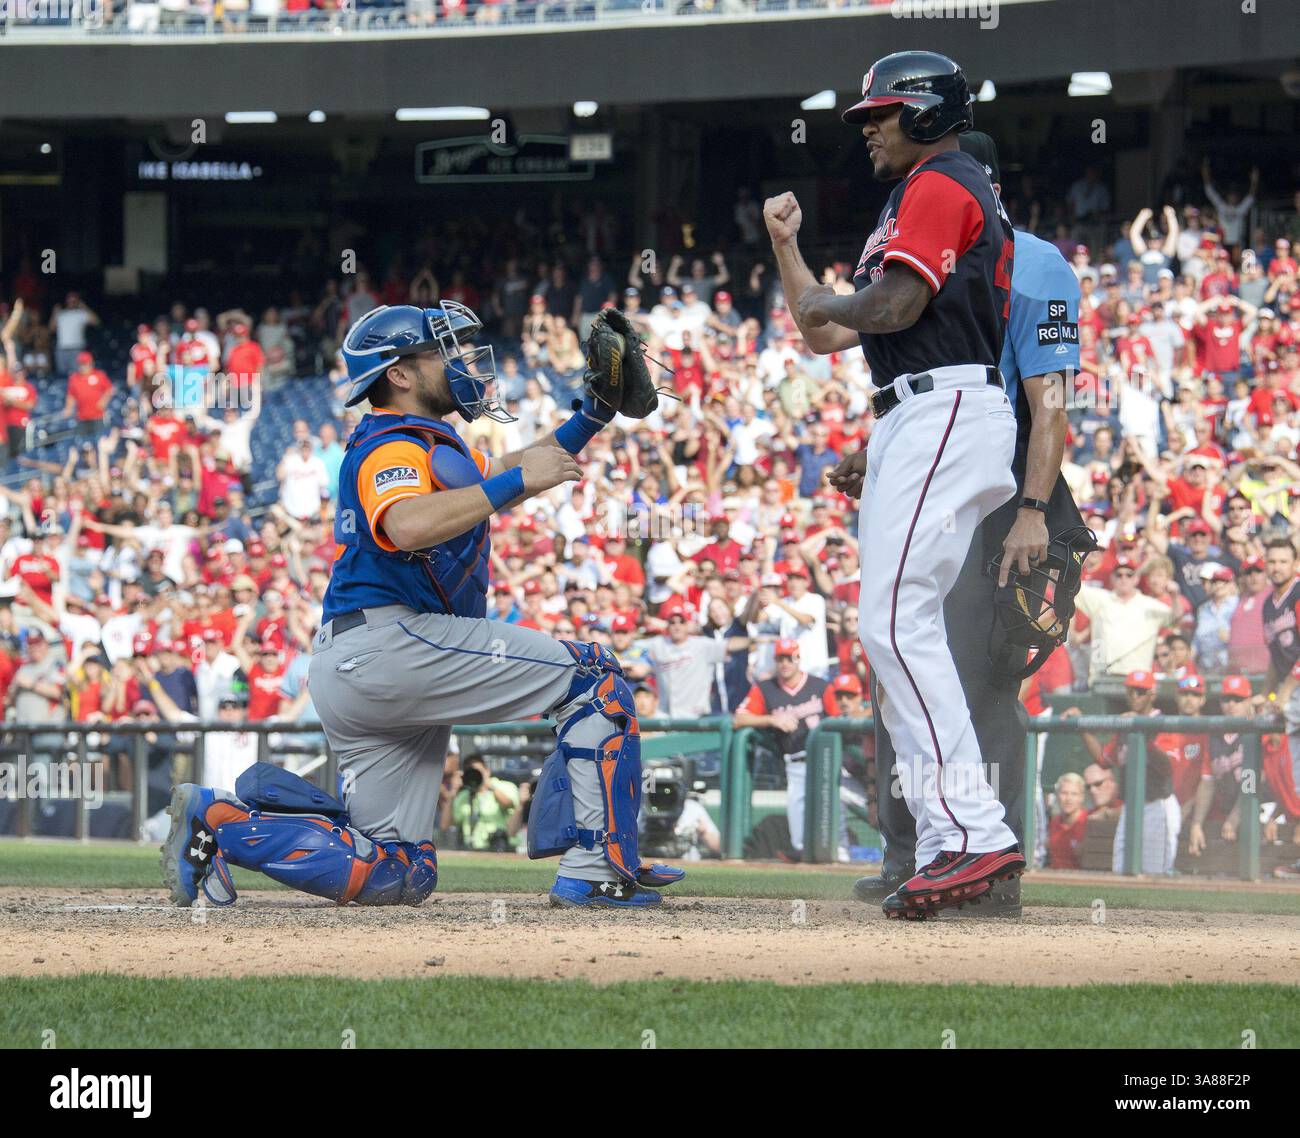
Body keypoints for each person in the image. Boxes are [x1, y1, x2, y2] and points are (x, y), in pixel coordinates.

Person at [163, 300, 685, 911]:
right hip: (391, 643)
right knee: (593, 678)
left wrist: (592, 415)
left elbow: (515, 467)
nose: (462, 360)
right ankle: (598, 869)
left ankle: (218, 821)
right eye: (444, 350)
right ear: (400, 374)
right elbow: (409, 524)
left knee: (396, 871)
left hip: (363, 663)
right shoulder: (393, 445)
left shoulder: (424, 444)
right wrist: (519, 482)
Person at [769, 53, 1025, 919]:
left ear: (924, 113)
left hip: (945, 401)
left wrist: (838, 302)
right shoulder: (906, 197)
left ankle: (974, 831)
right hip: (918, 412)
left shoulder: (943, 180)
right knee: (892, 632)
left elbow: (892, 310)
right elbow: (826, 332)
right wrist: (786, 249)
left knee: (890, 620)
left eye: (880, 113)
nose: (868, 126)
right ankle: (955, 836)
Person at [831, 130, 1082, 918]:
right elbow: (918, 376)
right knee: (901, 651)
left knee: (983, 673)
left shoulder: (1038, 262)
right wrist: (874, 457)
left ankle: (987, 857)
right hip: (941, 461)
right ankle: (921, 850)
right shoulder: (925, 241)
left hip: (1006, 488)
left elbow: (1049, 405)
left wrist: (1034, 511)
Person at [732, 639, 834, 857]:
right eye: (780, 659)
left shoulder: (820, 685)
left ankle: (843, 860)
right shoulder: (766, 688)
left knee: (836, 818)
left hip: (829, 762)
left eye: (789, 658)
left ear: (798, 659)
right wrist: (771, 719)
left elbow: (840, 721)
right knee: (799, 836)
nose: (784, 663)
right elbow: (739, 719)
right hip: (796, 762)